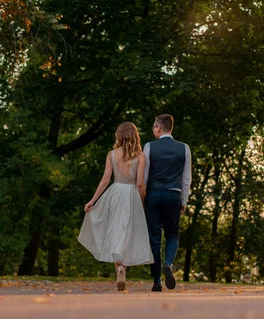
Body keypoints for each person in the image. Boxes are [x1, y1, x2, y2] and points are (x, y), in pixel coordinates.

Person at [78, 122, 154, 291]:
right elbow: (140, 183)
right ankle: (124, 266)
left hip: (115, 193)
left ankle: (118, 267)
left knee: (115, 230)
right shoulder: (141, 156)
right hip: (132, 194)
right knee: (128, 232)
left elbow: (105, 180)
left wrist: (93, 201)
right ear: (135, 136)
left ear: (118, 135)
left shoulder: (112, 154)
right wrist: (143, 201)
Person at [143, 114, 191, 292]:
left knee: (154, 238)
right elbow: (186, 179)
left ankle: (156, 281)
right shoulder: (184, 149)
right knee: (172, 235)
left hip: (153, 195)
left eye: (153, 127)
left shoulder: (149, 147)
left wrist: (143, 198)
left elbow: (145, 176)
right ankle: (168, 263)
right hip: (173, 195)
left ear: (158, 128)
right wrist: (184, 201)